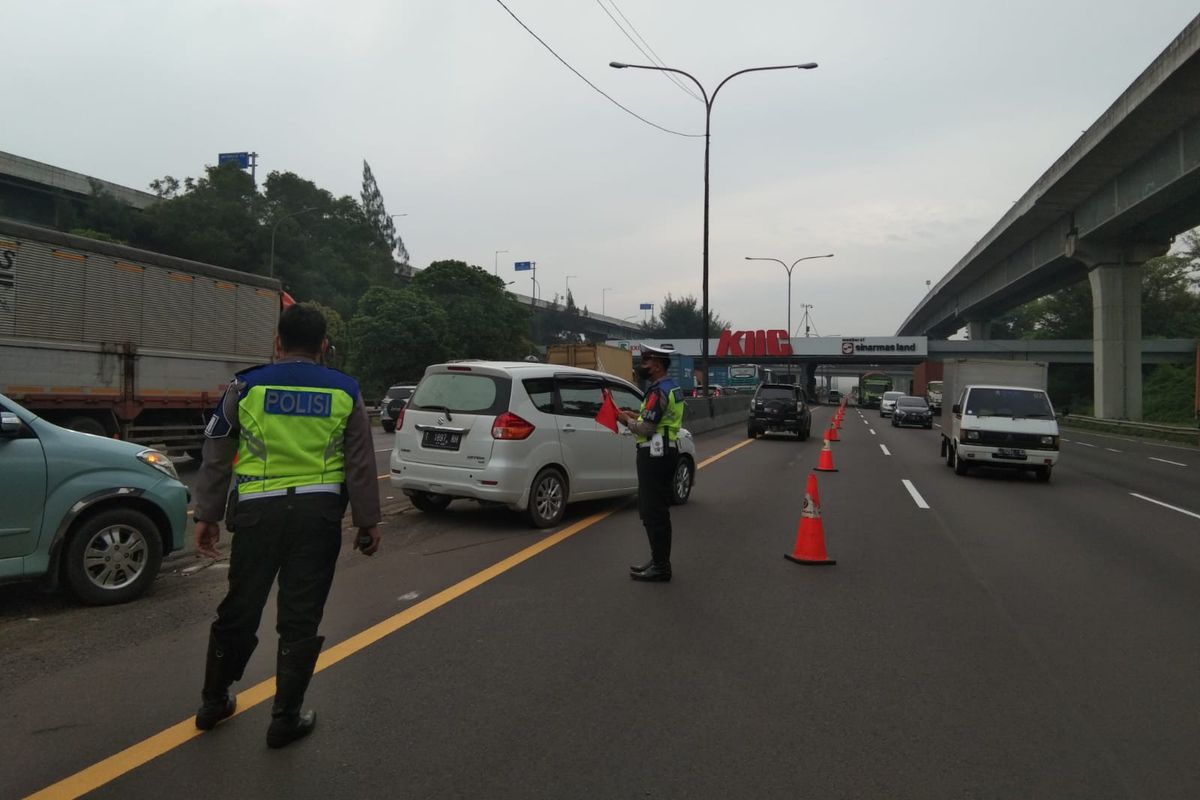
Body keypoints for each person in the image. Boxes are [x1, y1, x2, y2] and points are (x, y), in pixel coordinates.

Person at [191, 303, 381, 748]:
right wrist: (368, 523)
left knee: (241, 607)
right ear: (324, 347)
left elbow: (216, 451)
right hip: (318, 518)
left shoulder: (246, 386)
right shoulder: (345, 391)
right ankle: (285, 718)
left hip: (258, 515)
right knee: (301, 616)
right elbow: (360, 464)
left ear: (277, 343)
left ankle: (213, 702)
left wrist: (207, 516)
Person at [617, 344, 685, 582]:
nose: (642, 366)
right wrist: (634, 414)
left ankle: (661, 566)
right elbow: (655, 418)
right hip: (666, 451)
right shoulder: (670, 387)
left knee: (652, 511)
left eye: (645, 362)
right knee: (656, 511)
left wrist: (623, 419)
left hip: (655, 454)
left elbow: (648, 427)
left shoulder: (658, 391)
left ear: (656, 365)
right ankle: (658, 560)